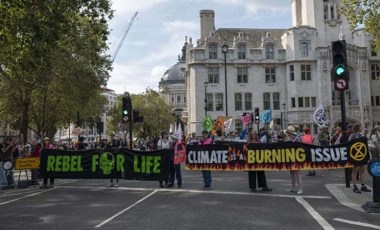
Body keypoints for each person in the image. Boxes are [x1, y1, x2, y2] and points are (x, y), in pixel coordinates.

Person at [349, 123, 371, 193]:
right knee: (355, 171)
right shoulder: (352, 135)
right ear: (357, 127)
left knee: (362, 171)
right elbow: (350, 144)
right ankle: (354, 186)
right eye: (361, 127)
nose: (362, 128)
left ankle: (362, 186)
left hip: (362, 155)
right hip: (355, 155)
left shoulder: (362, 135)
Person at [285, 126, 303, 195]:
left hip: (296, 157)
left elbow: (300, 147)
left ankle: (300, 188)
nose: (287, 133)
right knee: (291, 172)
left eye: (287, 132)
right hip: (290, 157)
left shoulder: (297, 138)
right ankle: (293, 187)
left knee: (297, 173)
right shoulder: (288, 138)